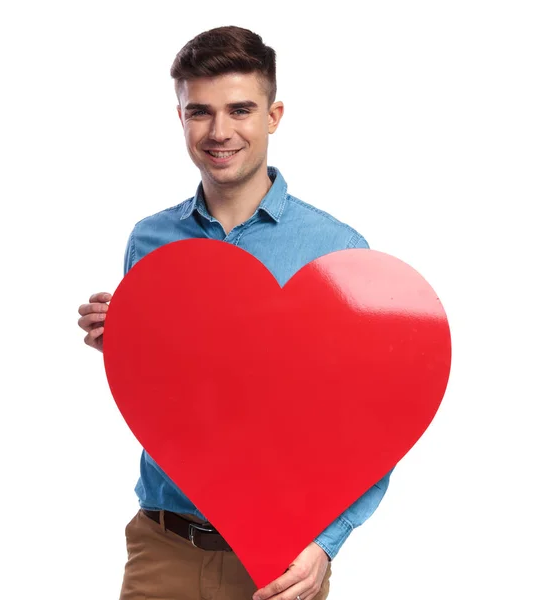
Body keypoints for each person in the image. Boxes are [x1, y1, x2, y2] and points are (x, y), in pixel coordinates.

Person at [78, 25, 392, 600]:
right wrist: (127, 347)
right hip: (162, 546)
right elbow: (181, 393)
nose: (220, 132)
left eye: (240, 109)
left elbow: (375, 418)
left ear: (273, 116)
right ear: (180, 119)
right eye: (200, 111)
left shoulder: (337, 251)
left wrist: (326, 543)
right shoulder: (150, 241)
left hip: (281, 558)